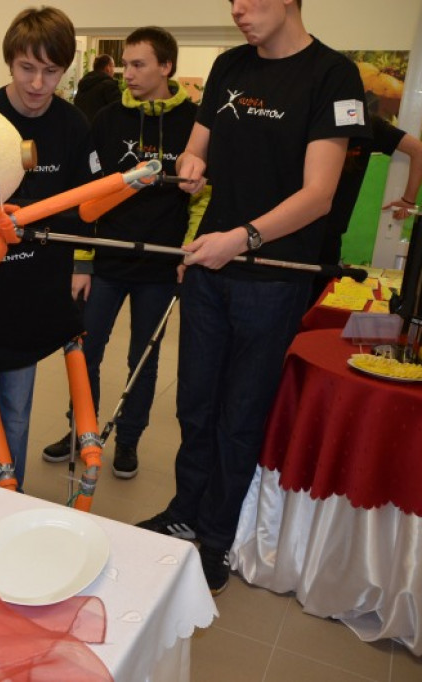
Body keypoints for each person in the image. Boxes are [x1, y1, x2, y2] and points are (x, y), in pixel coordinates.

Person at [137, 0, 369, 595]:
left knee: (240, 416)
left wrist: (240, 239)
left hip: (271, 276)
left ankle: (217, 535)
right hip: (210, 268)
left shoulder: (333, 75)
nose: (238, 9)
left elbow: (319, 195)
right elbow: (198, 147)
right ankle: (186, 510)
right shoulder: (229, 66)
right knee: (195, 404)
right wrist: (192, 164)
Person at [0, 6, 94, 489]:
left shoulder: (74, 126)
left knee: (15, 408)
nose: (38, 84)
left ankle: (9, 496)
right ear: (10, 61)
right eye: (27, 68)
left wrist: (82, 264)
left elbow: (87, 206)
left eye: (51, 71)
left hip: (32, 288)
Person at [42, 27, 198, 479]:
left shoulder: (195, 122)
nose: (126, 73)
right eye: (125, 64)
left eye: (138, 64)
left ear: (166, 66)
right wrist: (82, 261)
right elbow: (87, 197)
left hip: (161, 266)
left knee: (142, 362)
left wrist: (189, 252)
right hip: (106, 262)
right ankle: (82, 431)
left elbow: (204, 198)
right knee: (84, 352)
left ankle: (128, 439)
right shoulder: (107, 119)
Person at [314, 111, 422, 296]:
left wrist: (408, 199)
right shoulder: (312, 115)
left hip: (329, 238)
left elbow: (418, 150)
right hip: (294, 232)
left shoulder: (366, 123)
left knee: (315, 302)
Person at [74, 53, 121, 123]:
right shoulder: (109, 86)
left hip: (82, 128)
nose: (113, 71)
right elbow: (119, 110)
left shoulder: (83, 86)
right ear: (108, 68)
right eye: (113, 66)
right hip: (102, 128)